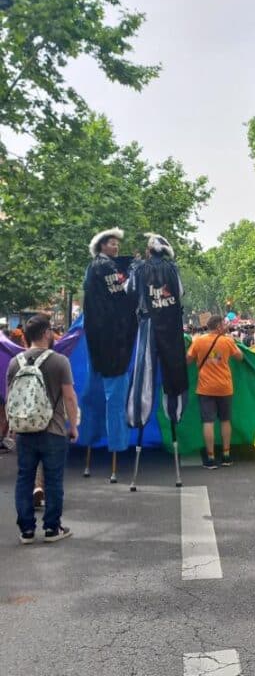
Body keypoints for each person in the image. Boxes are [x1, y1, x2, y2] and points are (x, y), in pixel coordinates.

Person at [7, 314, 79, 543]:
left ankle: (26, 530)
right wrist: (73, 425)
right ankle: (52, 529)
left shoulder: (14, 362)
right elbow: (69, 397)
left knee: (24, 479)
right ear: (47, 333)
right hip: (53, 430)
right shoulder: (59, 361)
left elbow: (11, 398)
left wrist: (13, 427)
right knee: (54, 480)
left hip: (25, 431)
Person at [80, 227, 138, 459]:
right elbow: (123, 294)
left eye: (117, 244)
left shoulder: (92, 268)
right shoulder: (106, 267)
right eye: (112, 243)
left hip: (96, 339)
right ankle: (117, 445)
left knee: (93, 395)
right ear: (102, 245)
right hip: (113, 341)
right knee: (116, 399)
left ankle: (88, 439)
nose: (116, 247)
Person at [126, 233, 189, 433]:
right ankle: (175, 412)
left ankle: (138, 415)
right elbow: (179, 292)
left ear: (148, 250)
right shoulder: (172, 268)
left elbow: (129, 291)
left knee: (144, 369)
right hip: (171, 325)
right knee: (174, 366)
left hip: (149, 323)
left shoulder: (139, 268)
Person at [186, 314, 243, 468]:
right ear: (218, 326)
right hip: (224, 388)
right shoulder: (227, 341)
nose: (225, 326)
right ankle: (226, 455)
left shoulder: (199, 341)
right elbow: (240, 357)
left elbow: (188, 360)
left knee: (208, 422)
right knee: (225, 421)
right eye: (224, 324)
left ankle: (210, 458)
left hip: (205, 389)